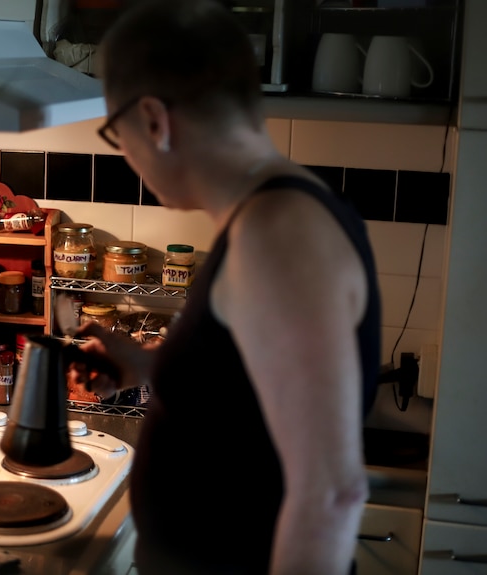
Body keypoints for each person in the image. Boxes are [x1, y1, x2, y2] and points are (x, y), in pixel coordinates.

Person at [72, 1, 381, 573]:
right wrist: (144, 363)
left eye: (118, 133)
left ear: (155, 121)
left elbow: (331, 494)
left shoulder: (277, 233)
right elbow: (245, 381)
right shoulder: (265, 217)